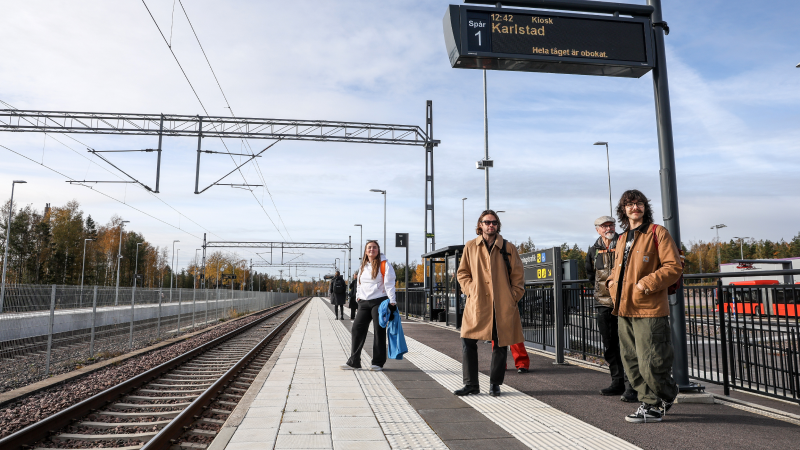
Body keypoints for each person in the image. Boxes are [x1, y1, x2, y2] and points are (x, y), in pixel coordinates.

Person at [606, 190, 682, 423]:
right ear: (623, 209)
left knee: (652, 361)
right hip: (623, 309)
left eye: (638, 203)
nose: (634, 207)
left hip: (648, 308)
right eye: (629, 204)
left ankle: (656, 403)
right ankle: (652, 401)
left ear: (645, 207)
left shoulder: (657, 233)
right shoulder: (621, 238)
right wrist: (611, 283)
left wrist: (645, 284)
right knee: (631, 362)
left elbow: (673, 267)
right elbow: (618, 270)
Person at [455, 210, 525, 397]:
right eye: (487, 222)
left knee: (500, 344)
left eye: (494, 222)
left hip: (501, 305)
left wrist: (513, 297)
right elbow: (462, 273)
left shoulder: (508, 247)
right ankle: (471, 384)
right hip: (477, 303)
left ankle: (495, 383)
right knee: (467, 341)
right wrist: (470, 290)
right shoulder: (471, 246)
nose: (490, 225)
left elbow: (518, 276)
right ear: (480, 225)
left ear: (497, 225)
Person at [586, 215, 636, 402]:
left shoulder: (625, 243)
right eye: (604, 226)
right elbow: (591, 275)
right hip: (603, 303)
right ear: (597, 229)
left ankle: (632, 385)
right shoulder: (593, 250)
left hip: (623, 301)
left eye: (611, 225)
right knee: (610, 345)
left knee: (628, 344)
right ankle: (617, 382)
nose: (609, 228)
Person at [341, 240, 397, 371]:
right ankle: (354, 361)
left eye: (374, 247)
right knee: (357, 328)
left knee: (379, 331)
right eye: (369, 248)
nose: (372, 249)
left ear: (378, 250)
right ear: (366, 251)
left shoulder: (384, 264)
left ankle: (377, 362)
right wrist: (358, 297)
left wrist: (392, 302)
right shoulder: (363, 265)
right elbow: (359, 283)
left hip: (379, 301)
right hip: (364, 302)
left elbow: (389, 284)